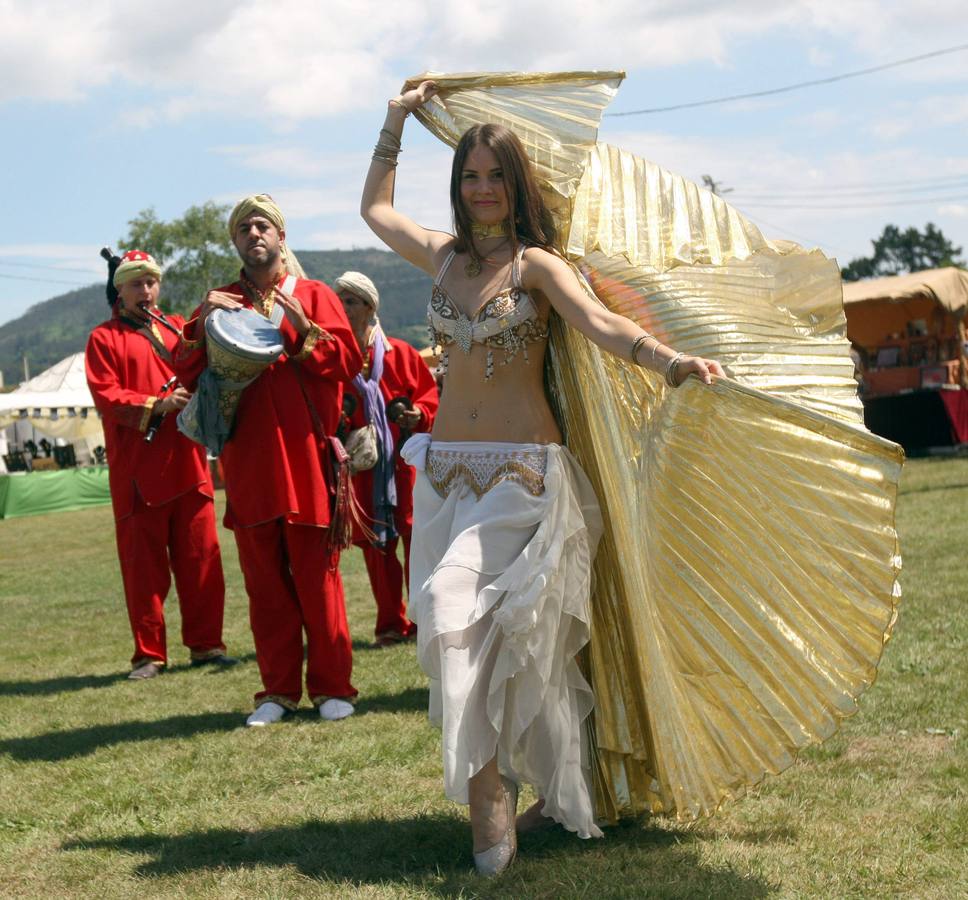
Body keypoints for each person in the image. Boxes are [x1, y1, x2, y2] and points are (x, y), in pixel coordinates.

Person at [361, 83, 725, 875]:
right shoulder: (445, 256)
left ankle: (486, 792)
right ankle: (548, 790)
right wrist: (394, 121)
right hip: (448, 481)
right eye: (469, 176)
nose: (481, 189)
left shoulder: (537, 267)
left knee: (449, 606)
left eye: (495, 176)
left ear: (517, 185)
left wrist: (670, 363)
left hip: (521, 481)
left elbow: (604, 324)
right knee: (508, 649)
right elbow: (376, 213)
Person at [173, 196, 364, 726]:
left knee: (317, 580)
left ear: (281, 236)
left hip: (306, 461)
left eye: (263, 226)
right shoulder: (220, 300)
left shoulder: (316, 295)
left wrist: (304, 332)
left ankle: (332, 688)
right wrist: (200, 326)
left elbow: (348, 362)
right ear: (235, 241)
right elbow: (185, 371)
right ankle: (277, 691)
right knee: (265, 585)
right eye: (244, 229)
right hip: (249, 465)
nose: (254, 234)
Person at [85, 249, 232, 680]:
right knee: (143, 570)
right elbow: (107, 396)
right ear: (120, 290)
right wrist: (158, 404)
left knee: (202, 561)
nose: (146, 290)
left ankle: (207, 646)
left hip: (188, 467)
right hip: (137, 475)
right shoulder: (103, 339)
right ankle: (149, 654)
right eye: (135, 283)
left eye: (151, 282)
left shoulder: (176, 331)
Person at [334, 271, 440, 647]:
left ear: (369, 306)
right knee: (377, 545)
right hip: (366, 469)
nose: (342, 307)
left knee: (416, 542)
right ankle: (390, 624)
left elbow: (429, 396)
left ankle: (424, 619)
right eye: (339, 299)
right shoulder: (338, 360)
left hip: (404, 466)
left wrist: (419, 415)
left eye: (349, 300)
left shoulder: (402, 354)